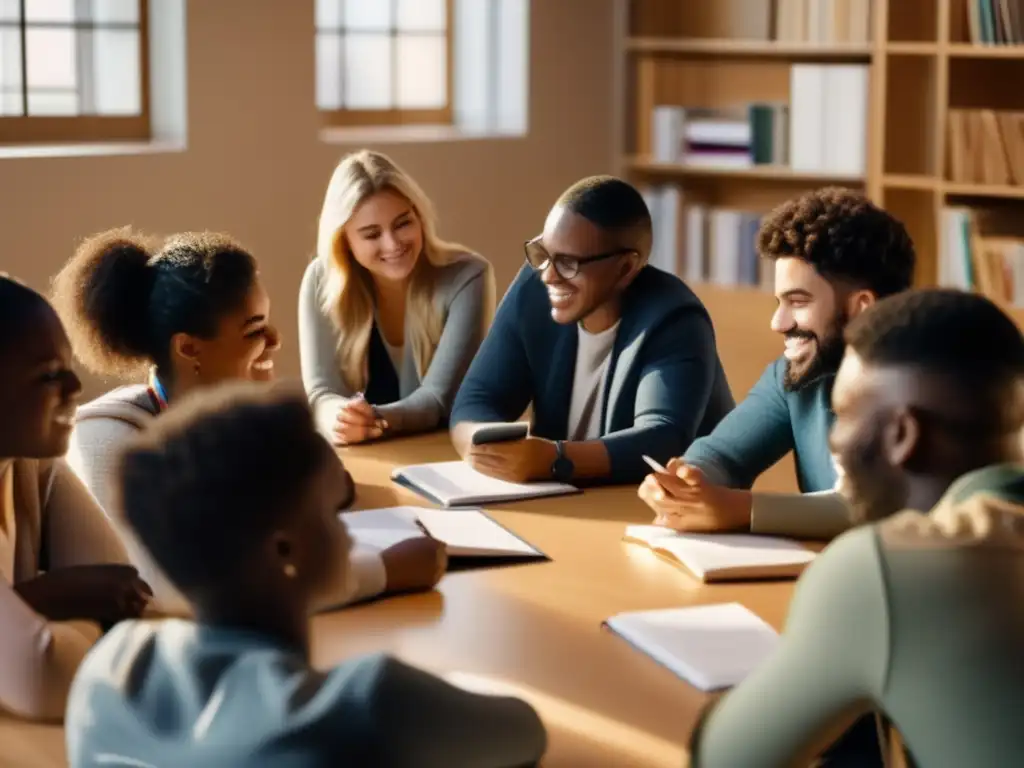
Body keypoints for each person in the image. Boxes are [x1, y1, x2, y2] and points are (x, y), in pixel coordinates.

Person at [65, 383, 548, 767]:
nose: (347, 532)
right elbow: (525, 733)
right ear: (284, 549)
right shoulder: (368, 703)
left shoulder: (108, 670)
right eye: (329, 513)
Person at [689, 289, 1024, 768]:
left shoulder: (886, 567)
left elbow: (725, 758)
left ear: (902, 435)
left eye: (844, 414)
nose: (834, 441)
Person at [52, 228, 445, 616]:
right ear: (189, 348)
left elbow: (333, 485)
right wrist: (383, 571)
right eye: (254, 329)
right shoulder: (104, 438)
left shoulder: (217, 420)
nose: (274, 341)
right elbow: (184, 593)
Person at [641, 187, 916, 538]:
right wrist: (689, 481)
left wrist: (741, 509)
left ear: (862, 307)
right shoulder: (795, 377)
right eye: (778, 302)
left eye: (798, 302)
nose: (778, 323)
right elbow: (723, 453)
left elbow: (877, 508)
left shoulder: (921, 387)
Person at [450, 175, 734, 486]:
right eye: (543, 255)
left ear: (625, 268)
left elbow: (663, 438)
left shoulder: (676, 319)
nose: (549, 276)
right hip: (569, 500)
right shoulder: (535, 291)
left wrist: (554, 459)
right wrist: (484, 446)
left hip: (660, 509)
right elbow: (477, 399)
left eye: (568, 262)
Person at [0, 275, 149, 721]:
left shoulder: (27, 461)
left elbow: (119, 587)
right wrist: (48, 598)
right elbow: (44, 677)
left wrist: (28, 604)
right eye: (48, 375)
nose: (75, 388)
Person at [299, 149, 495, 444]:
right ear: (344, 241)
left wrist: (372, 419)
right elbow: (321, 393)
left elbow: (437, 400)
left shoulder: (468, 277)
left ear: (419, 216)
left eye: (403, 223)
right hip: (363, 458)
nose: (393, 244)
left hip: (442, 456)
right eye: (371, 234)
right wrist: (338, 417)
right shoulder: (320, 280)